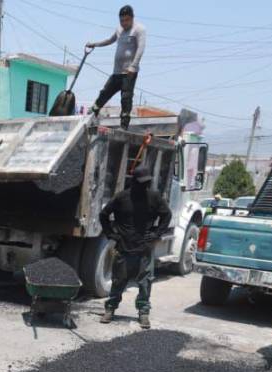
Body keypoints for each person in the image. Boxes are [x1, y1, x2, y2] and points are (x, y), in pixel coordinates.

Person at [98, 165, 171, 329]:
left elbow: (167, 215)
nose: (145, 185)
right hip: (124, 247)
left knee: (145, 282)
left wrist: (157, 233)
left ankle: (143, 313)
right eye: (142, 182)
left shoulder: (154, 197)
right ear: (134, 181)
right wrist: (111, 235)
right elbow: (103, 215)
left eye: (147, 182)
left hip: (144, 248)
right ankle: (110, 309)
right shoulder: (121, 198)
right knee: (118, 281)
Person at [86, 5, 146, 130]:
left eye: (126, 20)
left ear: (132, 18)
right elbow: (109, 40)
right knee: (105, 92)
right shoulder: (119, 29)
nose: (124, 23)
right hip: (117, 72)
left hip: (129, 72)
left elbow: (141, 48)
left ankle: (123, 125)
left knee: (126, 98)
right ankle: (92, 113)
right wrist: (94, 44)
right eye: (121, 20)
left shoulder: (139, 29)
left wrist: (133, 66)